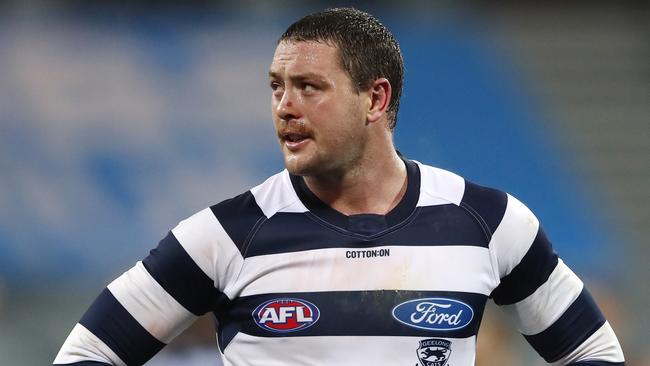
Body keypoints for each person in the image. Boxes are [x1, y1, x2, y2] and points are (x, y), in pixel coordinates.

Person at [53, 7, 625, 366]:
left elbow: (593, 352)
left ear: (375, 99)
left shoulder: (489, 221)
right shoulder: (225, 234)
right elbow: (87, 354)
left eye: (308, 87)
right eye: (276, 86)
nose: (284, 108)